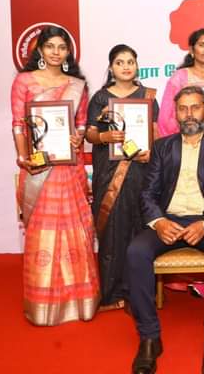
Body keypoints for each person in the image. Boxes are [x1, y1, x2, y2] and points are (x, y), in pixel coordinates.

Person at [126, 85, 204, 374]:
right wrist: (160, 222)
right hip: (169, 220)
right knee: (136, 251)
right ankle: (149, 338)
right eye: (183, 108)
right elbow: (147, 194)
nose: (189, 114)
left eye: (195, 107)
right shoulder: (162, 147)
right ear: (175, 113)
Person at [11, 25, 99, 326]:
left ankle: (79, 301)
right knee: (43, 231)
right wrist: (23, 158)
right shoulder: (24, 81)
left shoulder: (77, 85)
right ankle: (43, 304)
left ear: (68, 52)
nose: (56, 52)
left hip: (68, 166)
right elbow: (18, 123)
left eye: (62, 47)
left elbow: (82, 123)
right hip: (40, 166)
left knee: (75, 229)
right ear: (40, 49)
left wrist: (78, 137)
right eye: (50, 46)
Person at [85, 44, 159, 310]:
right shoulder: (101, 98)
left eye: (130, 61)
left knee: (140, 228)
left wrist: (151, 152)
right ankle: (112, 292)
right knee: (112, 230)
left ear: (137, 65)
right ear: (111, 67)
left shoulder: (148, 96)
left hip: (141, 171)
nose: (126, 66)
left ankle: (138, 292)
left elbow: (155, 132)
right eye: (120, 62)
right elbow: (90, 134)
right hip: (109, 172)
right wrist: (105, 136)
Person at [158, 28, 204, 137]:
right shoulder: (180, 78)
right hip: (187, 140)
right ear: (192, 50)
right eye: (202, 45)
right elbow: (166, 117)